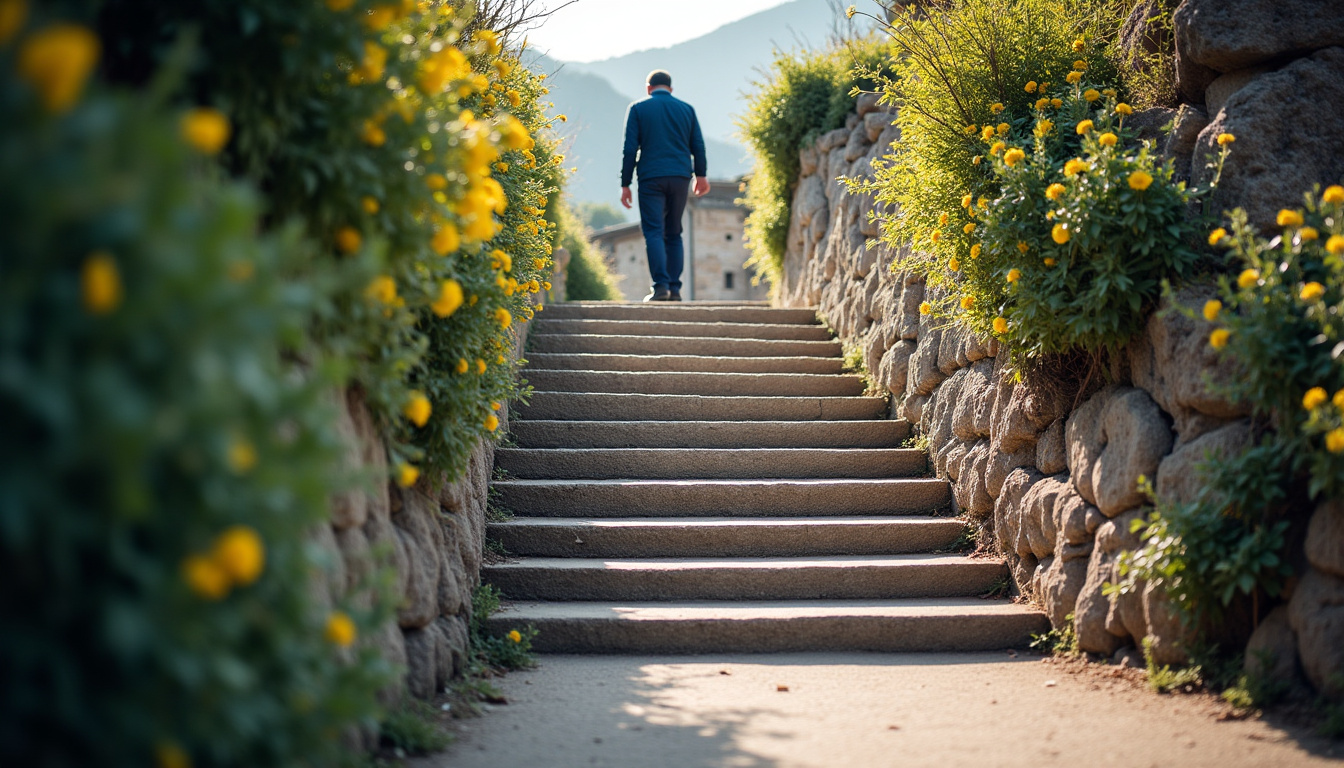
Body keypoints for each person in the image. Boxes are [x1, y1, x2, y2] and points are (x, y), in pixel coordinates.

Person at [619, 69, 710, 302]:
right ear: (671, 88)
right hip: (680, 177)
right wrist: (701, 175)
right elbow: (698, 145)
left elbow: (630, 149)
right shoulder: (687, 109)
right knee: (674, 232)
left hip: (651, 178)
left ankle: (660, 288)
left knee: (653, 231)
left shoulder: (638, 108)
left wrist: (625, 183)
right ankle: (675, 289)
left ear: (648, 88)